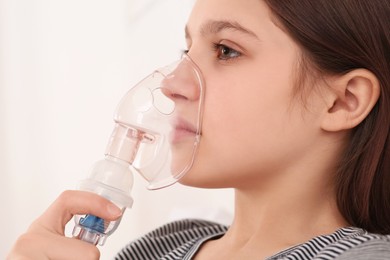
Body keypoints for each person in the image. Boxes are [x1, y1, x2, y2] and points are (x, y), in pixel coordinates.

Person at [7, 0, 390, 259]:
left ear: (343, 101)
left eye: (226, 50)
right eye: (185, 52)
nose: (173, 83)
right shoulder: (163, 246)